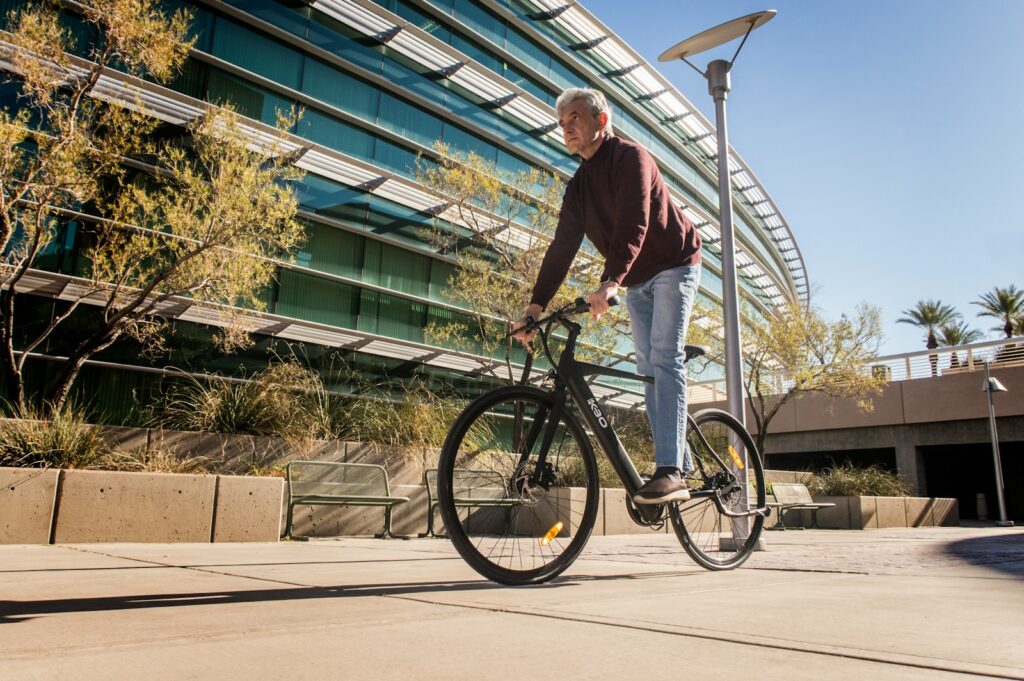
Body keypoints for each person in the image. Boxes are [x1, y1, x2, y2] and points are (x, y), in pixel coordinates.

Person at [512, 88, 702, 505]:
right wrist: (534, 307)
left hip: (675, 263)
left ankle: (671, 471)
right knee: (646, 367)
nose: (567, 128)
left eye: (576, 118)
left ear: (601, 120)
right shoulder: (578, 187)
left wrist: (610, 281)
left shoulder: (630, 158)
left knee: (664, 355)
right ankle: (681, 464)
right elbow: (562, 246)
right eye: (563, 124)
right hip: (635, 279)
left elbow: (635, 220)